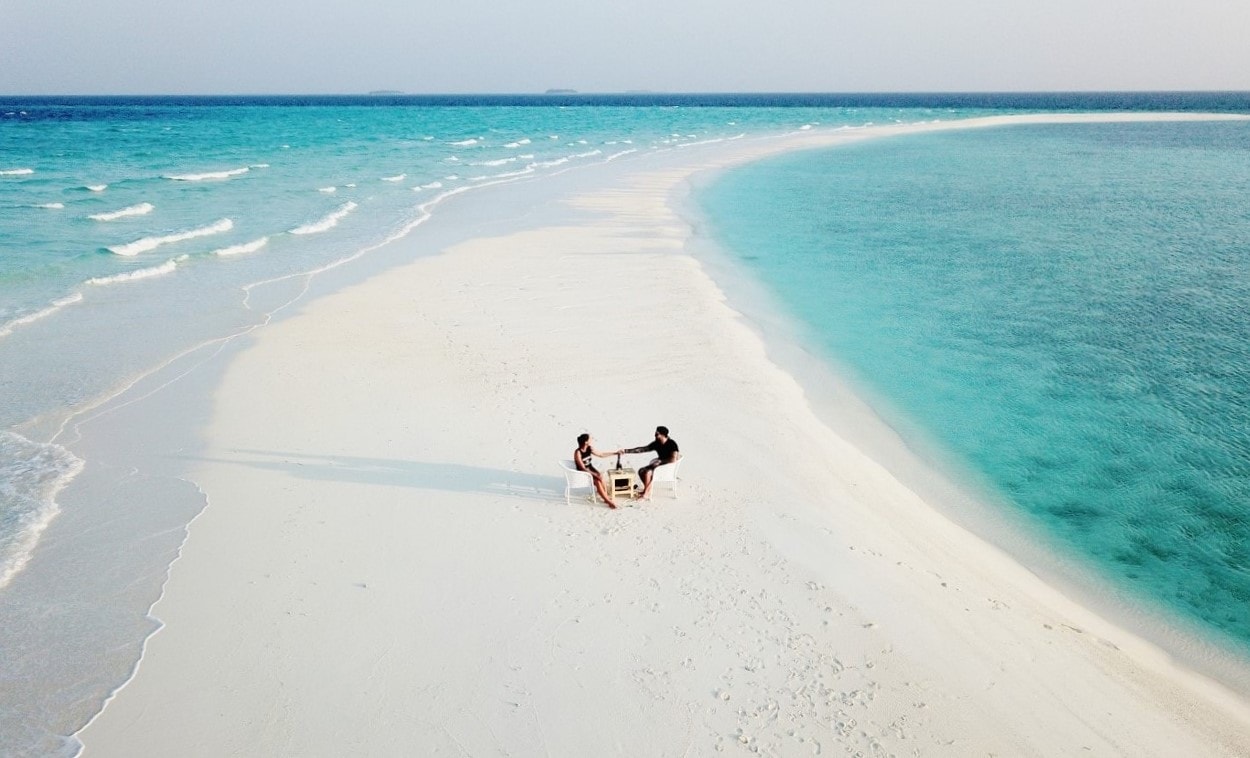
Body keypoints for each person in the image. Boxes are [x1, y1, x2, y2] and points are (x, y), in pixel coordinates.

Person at [619, 426, 680, 500]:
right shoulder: (657, 443)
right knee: (641, 471)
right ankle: (647, 490)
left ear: (663, 435)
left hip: (668, 467)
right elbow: (643, 449)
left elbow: (673, 459)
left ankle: (646, 494)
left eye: (657, 434)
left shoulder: (672, 444)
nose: (655, 435)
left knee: (648, 472)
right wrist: (626, 451)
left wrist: (661, 461)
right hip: (658, 464)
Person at [574, 433, 621, 508]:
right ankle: (608, 501)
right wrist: (594, 474)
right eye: (590, 439)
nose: (591, 440)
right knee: (598, 481)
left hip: (590, 468)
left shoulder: (589, 448)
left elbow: (601, 455)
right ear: (586, 442)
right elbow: (582, 467)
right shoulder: (578, 452)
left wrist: (615, 453)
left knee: (601, 478)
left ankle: (606, 496)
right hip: (583, 472)